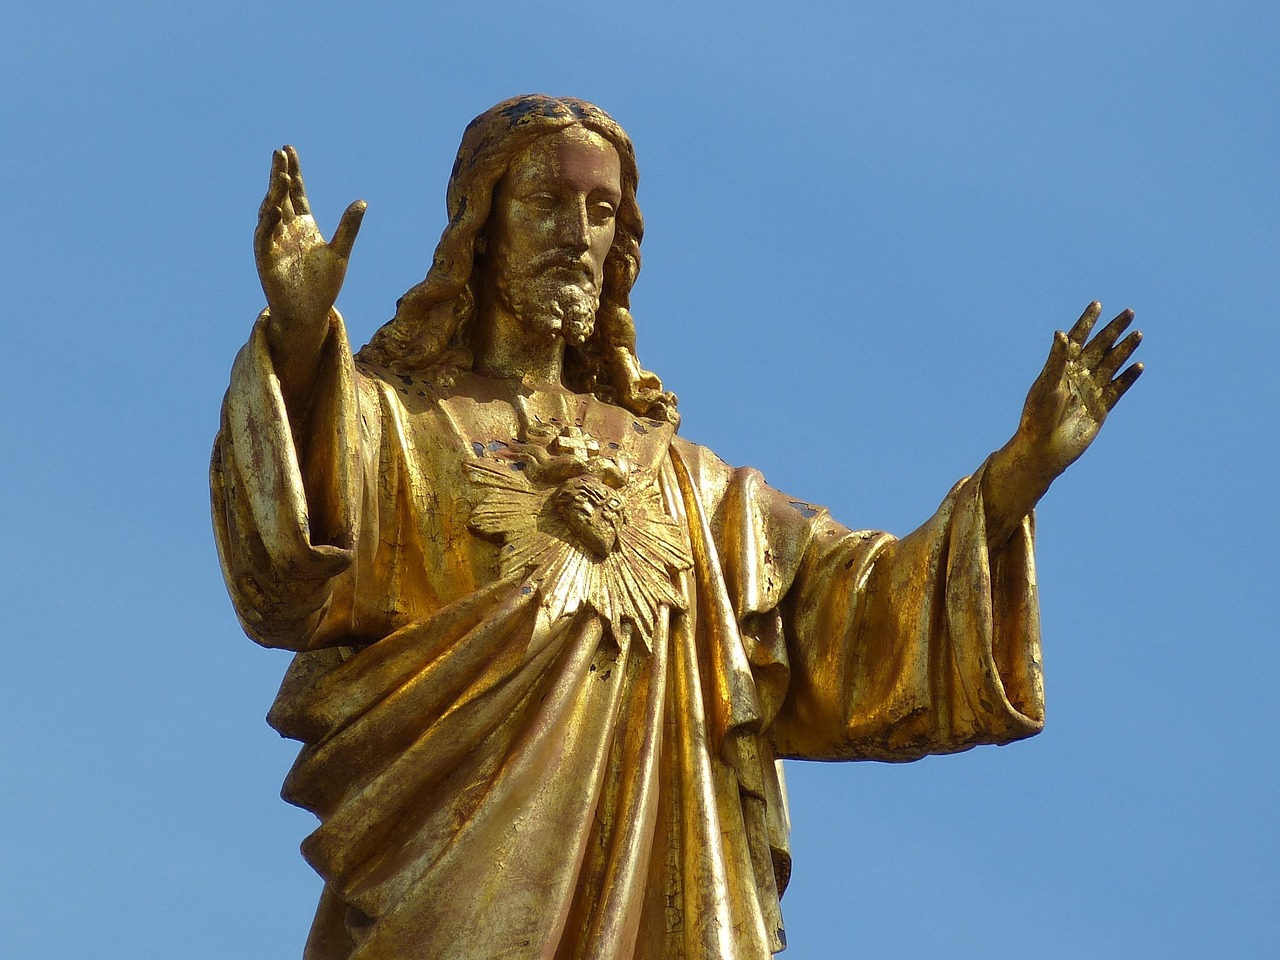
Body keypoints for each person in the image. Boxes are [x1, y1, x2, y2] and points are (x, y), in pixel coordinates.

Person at [211, 94, 1142, 960]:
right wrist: (296, 342)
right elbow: (291, 566)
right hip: (451, 882)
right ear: (479, 226)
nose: (577, 234)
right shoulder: (397, 424)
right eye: (546, 201)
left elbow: (860, 616)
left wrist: (1020, 472)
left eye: (602, 211)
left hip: (662, 874)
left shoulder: (695, 490)